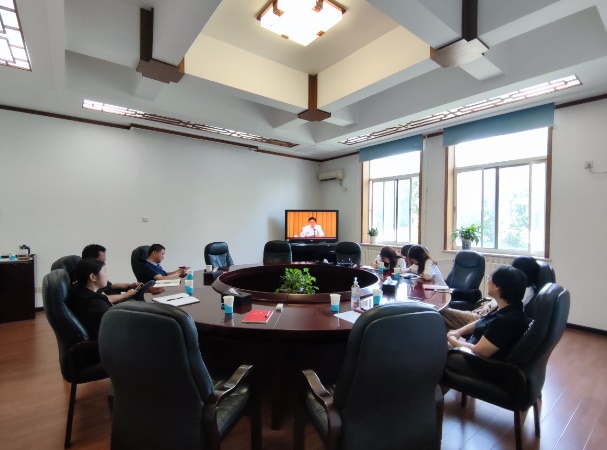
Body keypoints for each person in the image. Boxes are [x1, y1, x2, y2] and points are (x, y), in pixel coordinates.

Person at [446, 266, 528, 360]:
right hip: (471, 346)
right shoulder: (507, 307)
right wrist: (458, 332)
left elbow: (478, 352)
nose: (488, 281)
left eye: (489, 278)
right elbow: (482, 321)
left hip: (476, 360)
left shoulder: (507, 321)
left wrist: (452, 340)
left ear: (498, 287)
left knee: (436, 350)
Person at [440, 256, 539, 330]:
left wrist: (491, 307)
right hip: (485, 314)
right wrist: (488, 305)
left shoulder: (524, 290)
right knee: (445, 319)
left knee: (440, 314)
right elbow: (501, 299)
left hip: (486, 318)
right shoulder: (519, 286)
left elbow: (506, 306)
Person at [67, 258, 137, 339]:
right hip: (111, 341)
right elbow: (121, 324)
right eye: (104, 271)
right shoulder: (95, 304)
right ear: (93, 277)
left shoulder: (81, 293)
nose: (107, 275)